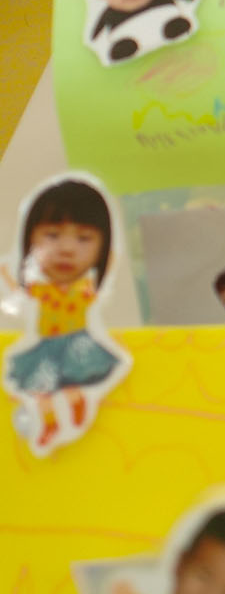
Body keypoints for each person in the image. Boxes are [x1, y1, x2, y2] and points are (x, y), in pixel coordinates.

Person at [3, 177, 128, 456]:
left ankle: (78, 406)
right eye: (52, 235)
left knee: (76, 387)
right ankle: (51, 425)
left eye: (84, 238)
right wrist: (8, 273)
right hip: (45, 349)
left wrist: (112, 260)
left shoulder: (84, 290)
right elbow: (18, 291)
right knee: (41, 394)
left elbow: (109, 269)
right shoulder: (41, 291)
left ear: (103, 247)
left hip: (79, 347)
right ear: (29, 239)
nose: (67, 248)